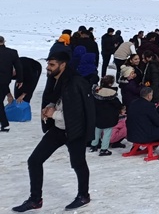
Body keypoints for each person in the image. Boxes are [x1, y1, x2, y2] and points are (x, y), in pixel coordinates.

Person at [13, 51, 94, 212]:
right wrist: (50, 107)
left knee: (78, 163)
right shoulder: (55, 80)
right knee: (34, 161)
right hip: (59, 128)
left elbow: (77, 114)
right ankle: (35, 200)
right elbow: (58, 100)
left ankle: (83, 195)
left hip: (75, 131)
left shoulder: (75, 83)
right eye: (48, 64)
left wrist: (53, 114)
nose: (48, 68)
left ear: (63, 65)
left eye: (52, 65)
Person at [126, 86, 159, 160]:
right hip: (145, 136)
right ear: (149, 95)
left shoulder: (132, 103)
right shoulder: (149, 106)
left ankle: (134, 148)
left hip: (131, 136)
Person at [89, 75, 123, 157]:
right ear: (110, 84)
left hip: (97, 116)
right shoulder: (112, 95)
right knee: (107, 133)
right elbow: (118, 105)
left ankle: (93, 146)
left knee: (97, 131)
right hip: (109, 117)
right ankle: (104, 149)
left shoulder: (96, 92)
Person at [0, 36, 23, 132]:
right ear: (4, 41)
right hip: (4, 80)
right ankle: (4, 124)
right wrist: (20, 80)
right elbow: (19, 67)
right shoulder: (12, 52)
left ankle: (5, 124)